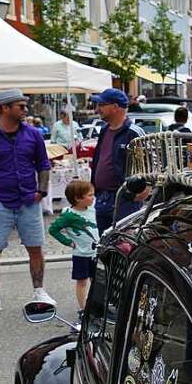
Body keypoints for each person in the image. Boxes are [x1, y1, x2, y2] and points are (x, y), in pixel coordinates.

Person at [0, 89, 54, 317]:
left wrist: (41, 191)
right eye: (21, 106)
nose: (26, 110)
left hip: (29, 200)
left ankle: (39, 291)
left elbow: (43, 165)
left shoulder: (33, 134)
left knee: (35, 247)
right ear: (5, 108)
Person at [89, 88, 148, 233]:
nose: (98, 108)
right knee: (105, 243)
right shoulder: (104, 130)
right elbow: (99, 159)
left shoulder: (133, 132)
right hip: (103, 196)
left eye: (102, 105)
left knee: (125, 243)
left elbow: (148, 164)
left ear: (115, 107)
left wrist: (144, 190)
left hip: (124, 198)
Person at [48, 180, 99, 311]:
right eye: (89, 195)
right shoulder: (69, 215)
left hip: (96, 253)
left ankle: (96, 304)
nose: (93, 197)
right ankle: (83, 308)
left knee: (98, 281)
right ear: (78, 198)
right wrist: (68, 242)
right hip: (81, 255)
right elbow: (53, 229)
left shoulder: (93, 210)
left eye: (93, 194)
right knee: (82, 282)